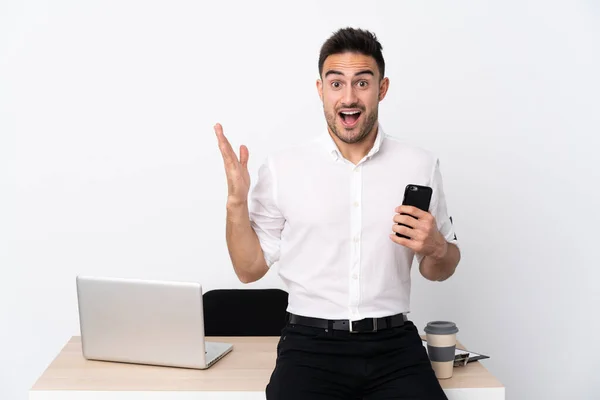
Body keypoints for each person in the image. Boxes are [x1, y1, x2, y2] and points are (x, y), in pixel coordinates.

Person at [214, 27, 460, 400]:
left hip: (394, 346)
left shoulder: (419, 165)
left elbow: (439, 268)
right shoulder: (284, 168)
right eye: (336, 83)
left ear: (382, 88)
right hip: (309, 347)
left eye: (362, 83)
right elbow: (249, 270)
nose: (349, 97)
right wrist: (235, 204)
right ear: (320, 90)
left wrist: (437, 248)